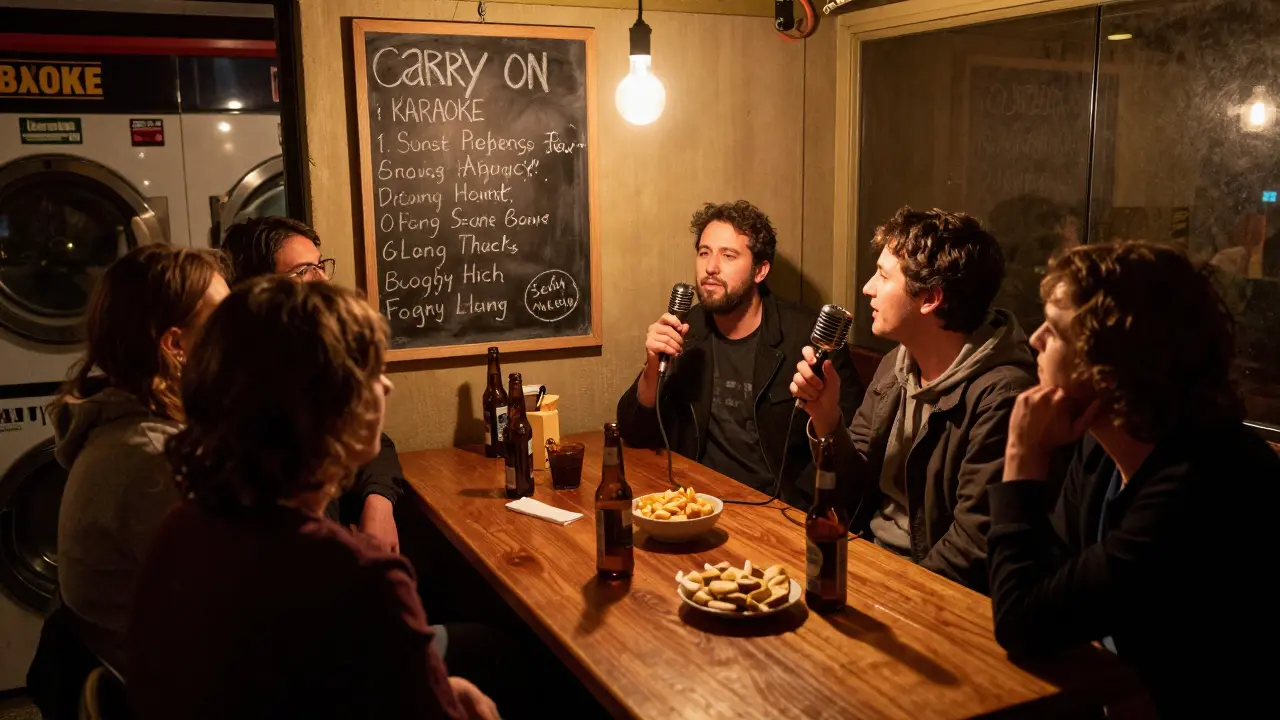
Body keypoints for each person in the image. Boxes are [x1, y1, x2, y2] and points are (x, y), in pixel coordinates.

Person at [129, 278, 498, 720]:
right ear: (326, 402)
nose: (387, 388)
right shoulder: (360, 574)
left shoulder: (182, 527)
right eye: (369, 374)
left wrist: (432, 681)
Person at [987, 241, 1279, 715]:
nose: (1035, 339)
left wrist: (1022, 457)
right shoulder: (1099, 450)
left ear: (1114, 363)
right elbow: (1047, 591)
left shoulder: (1200, 484)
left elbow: (1022, 622)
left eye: (1056, 331)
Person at [790, 207, 1036, 593]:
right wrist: (827, 420)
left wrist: (889, 594)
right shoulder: (897, 364)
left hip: (927, 593)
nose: (868, 288)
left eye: (884, 276)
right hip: (870, 564)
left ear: (930, 298)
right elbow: (849, 494)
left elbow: (972, 548)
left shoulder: (1001, 395)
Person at [50, 244, 230, 669]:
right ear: (176, 346)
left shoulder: (126, 428)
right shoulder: (155, 459)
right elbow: (230, 617)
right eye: (225, 319)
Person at [616, 200, 864, 507]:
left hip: (776, 508)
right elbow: (632, 431)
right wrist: (653, 367)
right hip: (697, 497)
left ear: (760, 270)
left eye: (728, 255)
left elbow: (850, 465)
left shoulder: (809, 340)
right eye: (704, 252)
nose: (710, 267)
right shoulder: (687, 328)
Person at [220, 216, 401, 552]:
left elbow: (371, 441)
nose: (323, 280)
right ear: (261, 289)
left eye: (321, 265)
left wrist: (378, 500)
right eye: (304, 271)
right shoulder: (248, 389)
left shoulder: (303, 364)